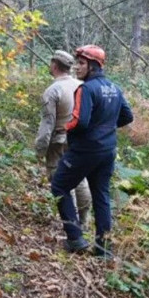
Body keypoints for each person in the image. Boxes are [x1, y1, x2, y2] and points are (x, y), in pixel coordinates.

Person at [50, 44, 133, 257]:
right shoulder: (115, 88)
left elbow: (80, 122)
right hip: (107, 150)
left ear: (93, 66)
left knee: (59, 185)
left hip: (85, 150)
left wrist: (64, 128)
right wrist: (106, 128)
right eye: (78, 62)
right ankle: (104, 248)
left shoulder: (85, 89)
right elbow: (127, 116)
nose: (77, 67)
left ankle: (75, 238)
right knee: (101, 195)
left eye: (82, 63)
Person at [34, 50, 92, 228]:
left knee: (60, 181)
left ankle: (71, 223)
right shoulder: (82, 86)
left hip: (59, 141)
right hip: (80, 140)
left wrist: (40, 149)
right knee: (80, 177)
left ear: (54, 65)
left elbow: (47, 124)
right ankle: (84, 220)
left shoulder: (53, 91)